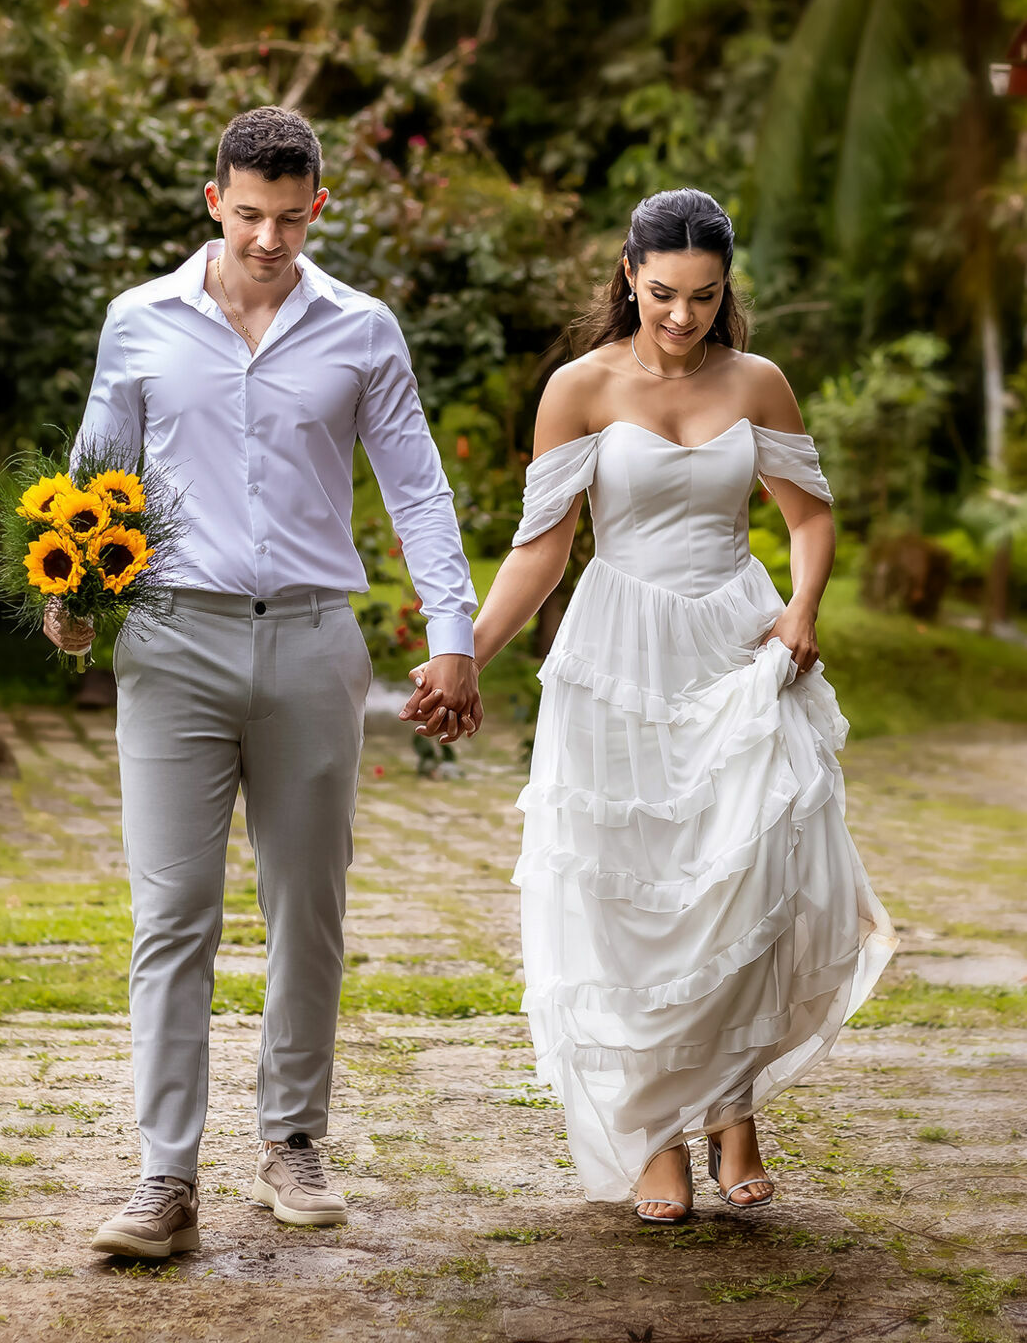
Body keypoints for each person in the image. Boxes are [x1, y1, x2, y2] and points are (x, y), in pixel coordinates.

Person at [46, 106, 482, 1257]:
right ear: (214, 201)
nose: (269, 240)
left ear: (319, 208)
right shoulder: (138, 322)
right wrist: (74, 592)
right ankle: (162, 1180)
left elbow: (418, 488)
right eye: (248, 216)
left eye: (291, 219)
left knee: (308, 907)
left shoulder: (362, 331)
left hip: (308, 642)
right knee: (170, 915)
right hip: (172, 645)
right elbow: (96, 472)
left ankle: (291, 1138)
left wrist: (452, 633)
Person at [471, 188, 895, 1223]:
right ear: (627, 273)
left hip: (735, 645)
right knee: (635, 890)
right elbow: (542, 545)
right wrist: (464, 656)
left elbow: (807, 517)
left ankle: (731, 1109)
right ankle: (655, 1128)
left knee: (742, 883)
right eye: (661, 293)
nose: (679, 316)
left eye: (702, 297)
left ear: (723, 290)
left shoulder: (757, 382)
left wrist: (800, 606)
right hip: (617, 652)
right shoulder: (577, 388)